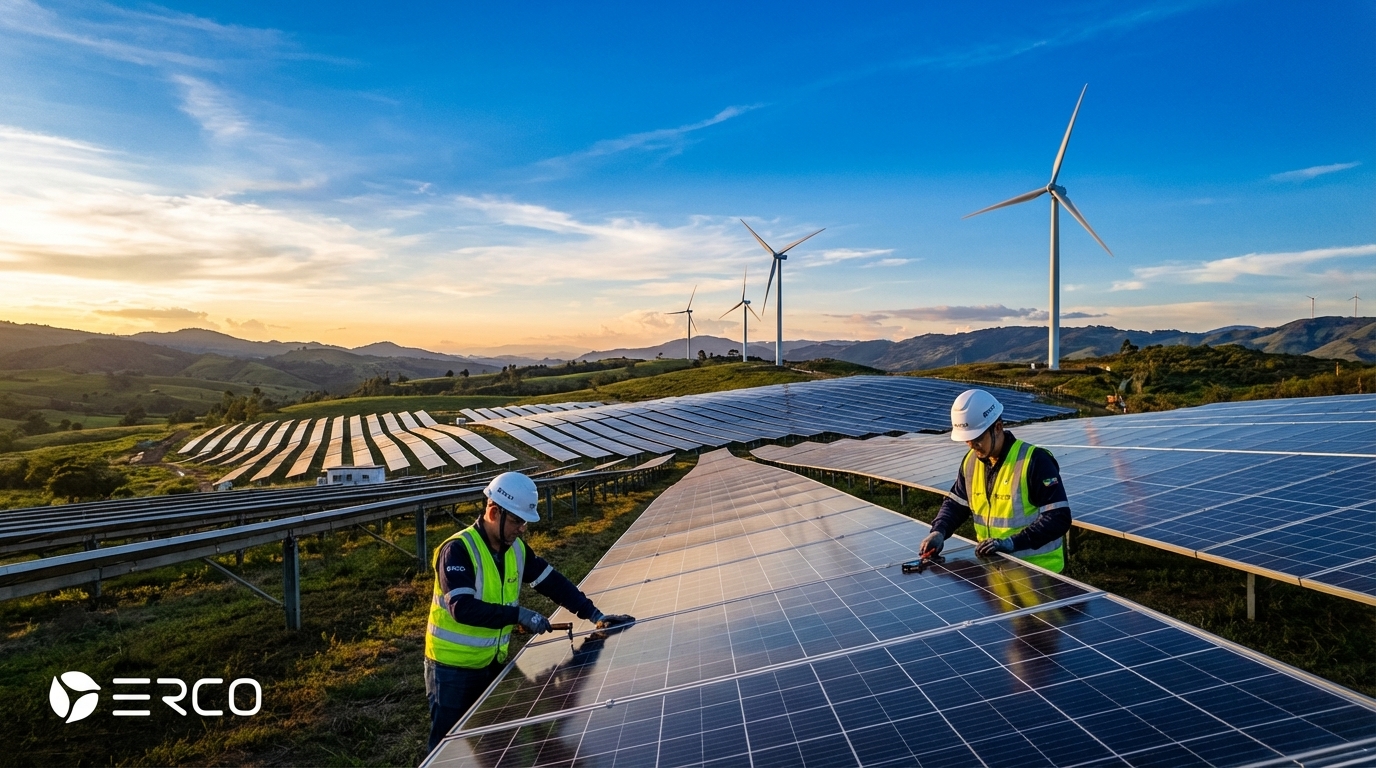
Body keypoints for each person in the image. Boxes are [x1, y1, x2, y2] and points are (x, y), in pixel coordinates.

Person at [424, 471, 634, 752]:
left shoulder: (515, 550)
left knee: (490, 742)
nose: (522, 529)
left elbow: (552, 583)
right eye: (517, 521)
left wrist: (594, 614)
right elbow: (461, 608)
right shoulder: (458, 550)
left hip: (492, 662)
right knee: (449, 747)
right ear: (493, 512)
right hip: (451, 670)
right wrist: (518, 615)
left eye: (525, 522)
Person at [918, 389, 1071, 573]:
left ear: (998, 427)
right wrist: (939, 530)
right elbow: (956, 504)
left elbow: (1058, 517)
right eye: (967, 440)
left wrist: (1013, 542)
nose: (972, 446)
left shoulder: (1035, 461)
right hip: (996, 572)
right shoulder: (971, 462)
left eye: (977, 439)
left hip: (1040, 574)